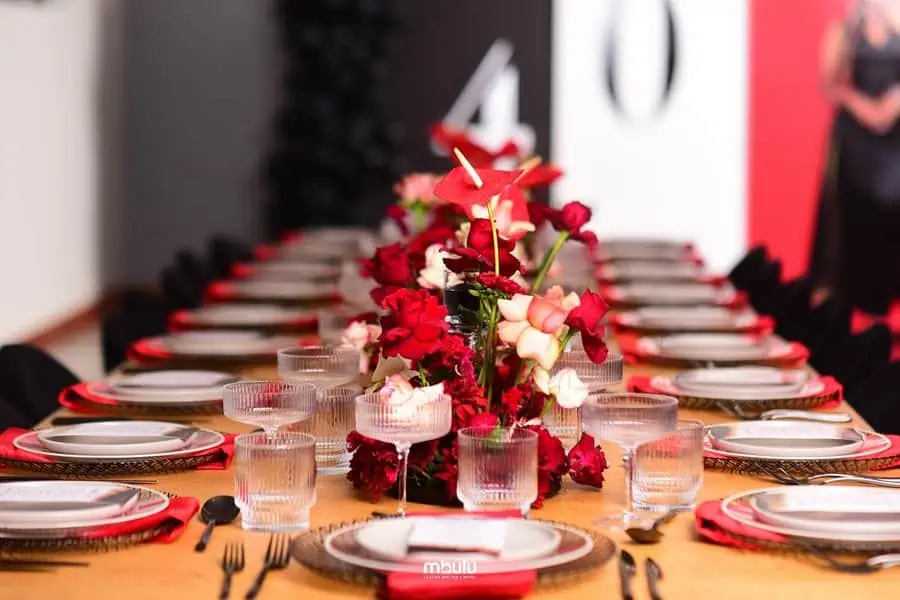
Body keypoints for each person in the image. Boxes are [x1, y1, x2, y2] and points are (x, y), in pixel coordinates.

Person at [810, 0, 900, 316]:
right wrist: (865, 108)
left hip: (895, 139)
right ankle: (858, 312)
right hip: (857, 138)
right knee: (855, 223)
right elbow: (830, 82)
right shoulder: (846, 29)